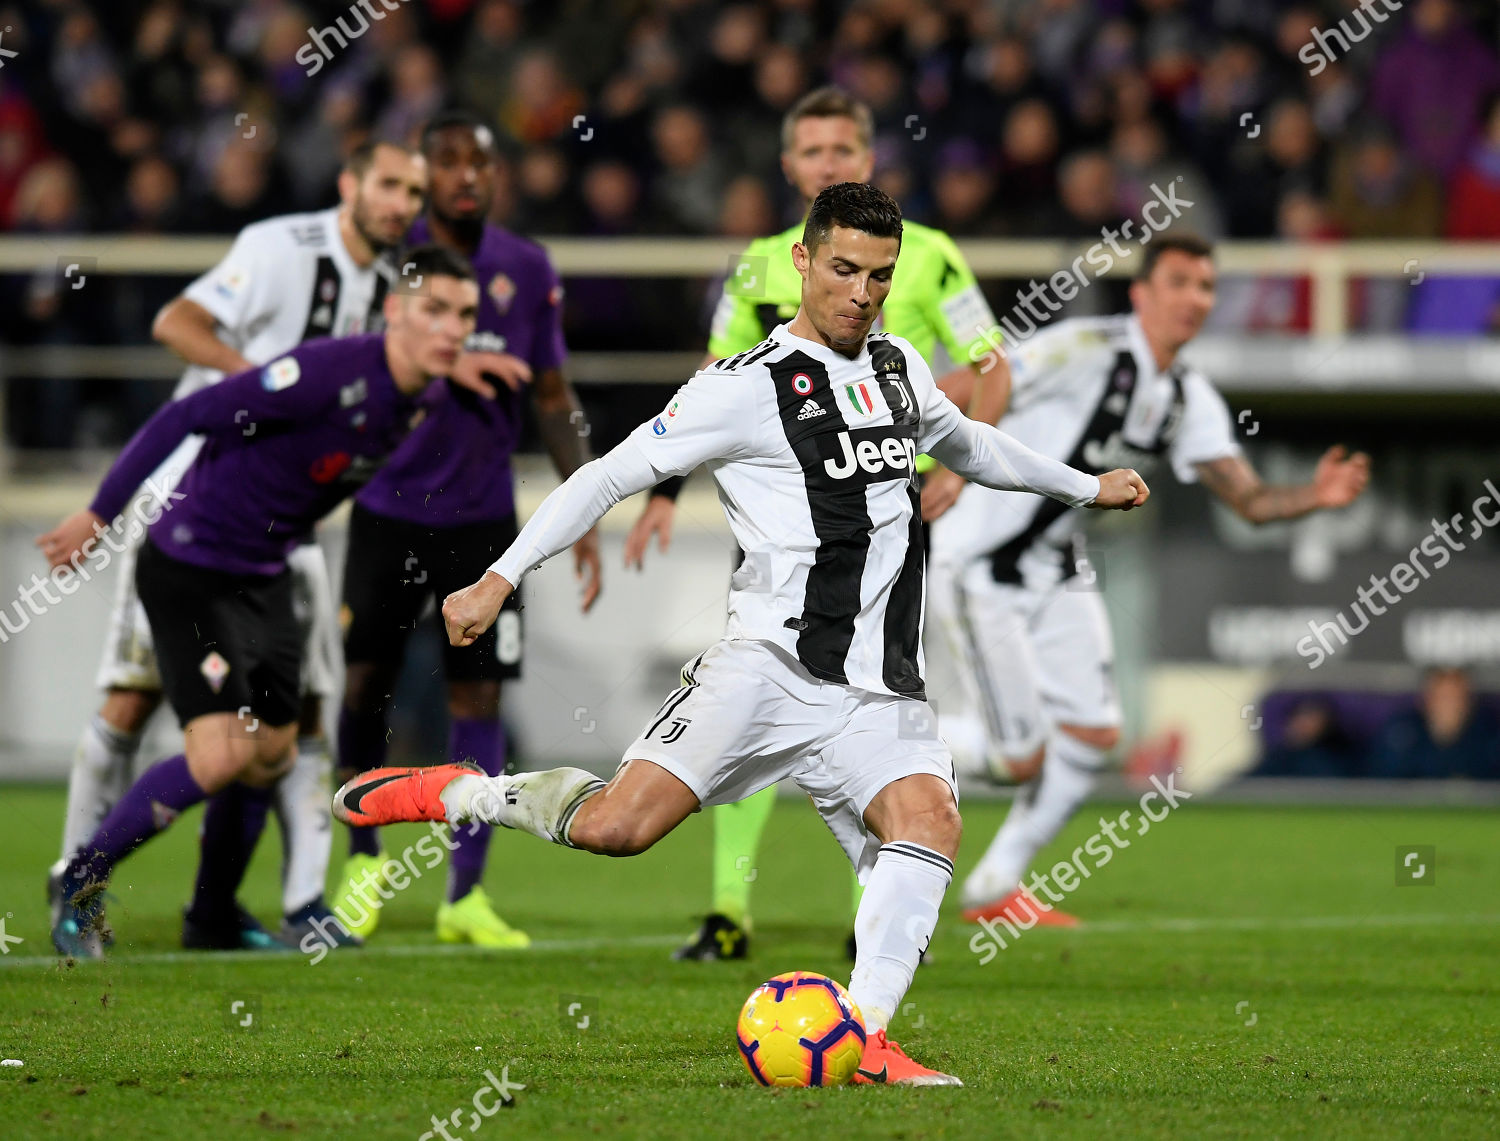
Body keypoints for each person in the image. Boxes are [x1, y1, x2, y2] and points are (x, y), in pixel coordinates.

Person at [332, 182, 1149, 1085]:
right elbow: (606, 476)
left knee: (930, 819)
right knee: (616, 828)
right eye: (843, 269)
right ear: (801, 261)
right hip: (766, 667)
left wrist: (1084, 486)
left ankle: (863, 1037)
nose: (862, 293)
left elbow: (970, 444)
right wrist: (500, 574)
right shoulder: (740, 389)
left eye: (880, 275)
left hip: (880, 686)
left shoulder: (900, 366)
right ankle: (466, 794)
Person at [622, 86, 1012, 962]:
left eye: (844, 148)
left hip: (890, 514)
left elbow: (989, 365)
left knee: (881, 709)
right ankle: (730, 910)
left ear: (865, 160)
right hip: (782, 512)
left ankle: (867, 909)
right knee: (758, 697)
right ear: (790, 167)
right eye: (811, 151)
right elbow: (709, 383)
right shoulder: (761, 265)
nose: (828, 163)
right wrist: (658, 491)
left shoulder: (929, 254)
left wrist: (952, 466)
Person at [40, 244, 479, 960]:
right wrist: (100, 512)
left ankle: (211, 917)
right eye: (435, 309)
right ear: (396, 309)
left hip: (265, 574)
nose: (452, 329)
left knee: (272, 752)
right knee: (220, 753)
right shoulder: (325, 371)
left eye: (464, 315)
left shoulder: (420, 398)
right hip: (191, 564)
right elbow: (188, 415)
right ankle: (79, 877)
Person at [928, 233, 1371, 927]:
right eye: (1180, 282)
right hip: (980, 558)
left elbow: (1250, 503)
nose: (1195, 298)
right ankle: (873, 741)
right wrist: (946, 461)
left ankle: (994, 885)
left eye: (1205, 286)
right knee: (1019, 758)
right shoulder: (1087, 347)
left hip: (1055, 564)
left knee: (1097, 732)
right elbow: (979, 380)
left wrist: (1318, 496)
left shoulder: (1190, 398)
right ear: (1142, 292)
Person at [331, 111, 601, 949]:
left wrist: (584, 502)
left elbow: (552, 395)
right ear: (424, 174)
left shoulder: (527, 267)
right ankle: (362, 860)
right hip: (386, 510)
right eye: (447, 162)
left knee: (479, 694)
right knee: (364, 685)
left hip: (483, 524)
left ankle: (465, 893)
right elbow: (354, 359)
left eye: (479, 163)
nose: (466, 176)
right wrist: (451, 362)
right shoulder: (392, 257)